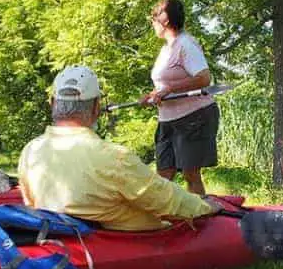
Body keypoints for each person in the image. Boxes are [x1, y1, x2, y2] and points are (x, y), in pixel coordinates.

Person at [19, 65, 223, 231]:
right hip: (125, 240)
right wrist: (204, 206)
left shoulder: (30, 151)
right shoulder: (114, 157)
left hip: (59, 236)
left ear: (53, 103)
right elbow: (165, 200)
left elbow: (31, 203)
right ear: (96, 107)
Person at [141, 0, 219, 196]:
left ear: (165, 20)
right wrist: (152, 95)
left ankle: (199, 212)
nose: (152, 24)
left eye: (154, 20)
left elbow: (204, 78)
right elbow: (164, 85)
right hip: (167, 119)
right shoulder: (167, 49)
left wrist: (170, 89)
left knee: (190, 174)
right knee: (163, 175)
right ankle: (165, 213)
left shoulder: (186, 44)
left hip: (193, 117)